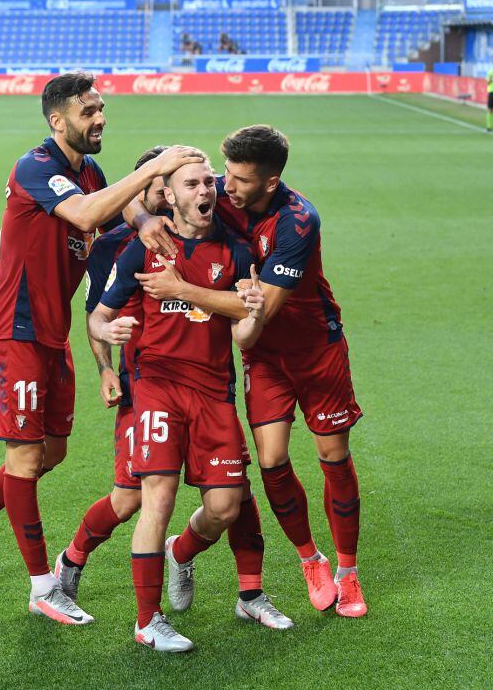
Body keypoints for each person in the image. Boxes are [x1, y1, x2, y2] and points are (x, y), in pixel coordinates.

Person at [0, 72, 201, 626]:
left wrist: (148, 217)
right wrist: (153, 169)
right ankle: (41, 585)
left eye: (101, 108)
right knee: (26, 458)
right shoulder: (36, 166)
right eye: (88, 111)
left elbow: (118, 208)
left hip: (51, 333)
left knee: (51, 452)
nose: (100, 117)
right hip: (14, 329)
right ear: (57, 120)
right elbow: (85, 215)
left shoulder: (89, 170)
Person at [135, 125, 368, 618]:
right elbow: (138, 191)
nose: (224, 188)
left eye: (238, 180)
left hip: (315, 348)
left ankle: (348, 572)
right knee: (271, 461)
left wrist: (181, 289)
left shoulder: (298, 222)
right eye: (225, 175)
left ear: (269, 182)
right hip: (263, 357)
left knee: (333, 454)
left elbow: (262, 310)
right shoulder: (219, 194)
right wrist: (139, 219)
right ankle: (311, 559)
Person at [92, 151, 292, 653]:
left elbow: (244, 335)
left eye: (209, 183)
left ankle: (182, 552)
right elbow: (97, 316)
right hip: (157, 386)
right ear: (171, 196)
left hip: (212, 390)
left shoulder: (236, 251)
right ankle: (146, 620)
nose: (205, 192)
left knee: (226, 505)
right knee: (155, 498)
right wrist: (108, 331)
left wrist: (251, 315)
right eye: (192, 185)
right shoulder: (143, 250)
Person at [51, 145, 168, 601]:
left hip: (205, 384)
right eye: (159, 182)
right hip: (142, 385)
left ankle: (243, 587)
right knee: (129, 499)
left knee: (230, 493)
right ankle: (74, 556)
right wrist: (104, 370)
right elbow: (94, 314)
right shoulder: (111, 247)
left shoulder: (203, 230)